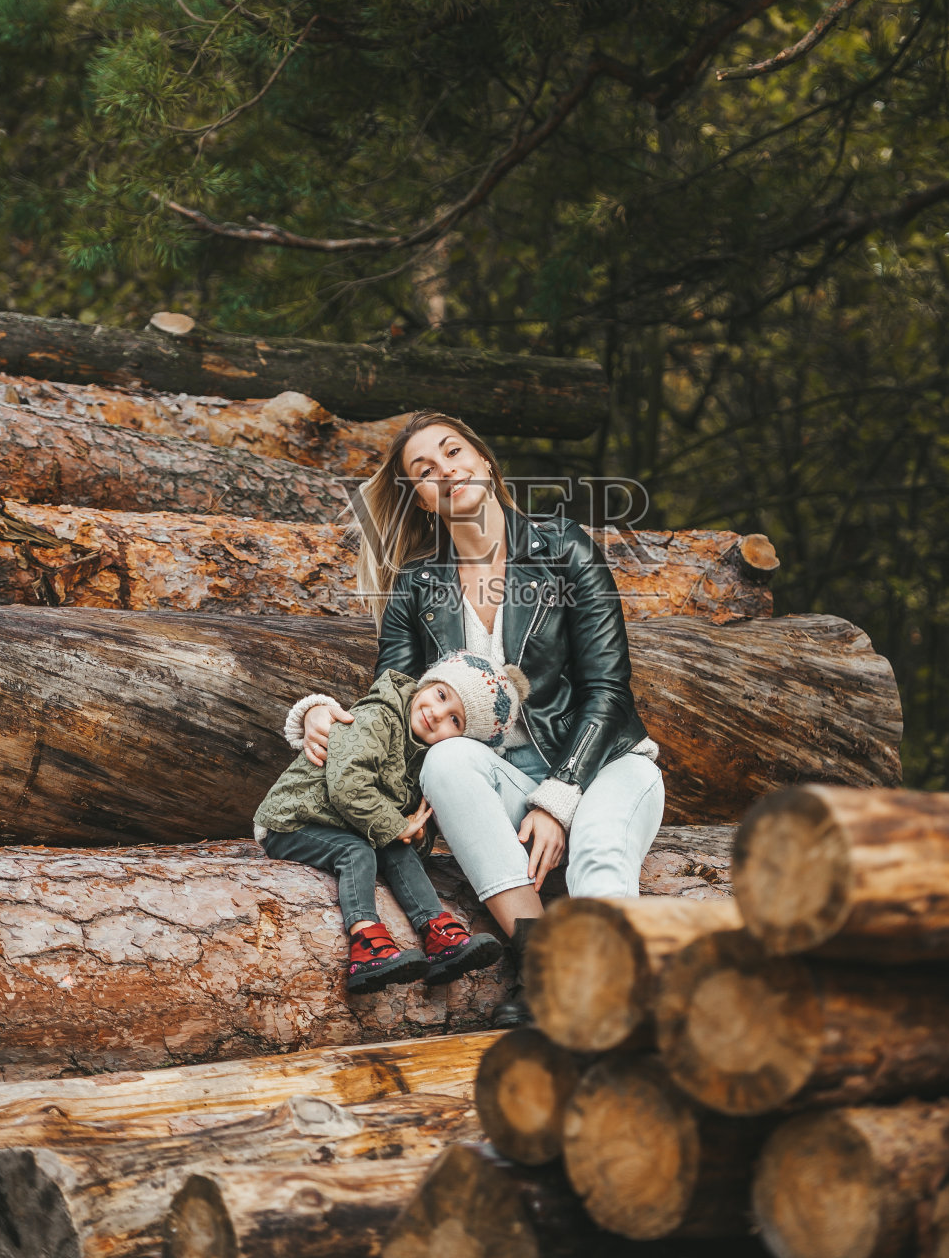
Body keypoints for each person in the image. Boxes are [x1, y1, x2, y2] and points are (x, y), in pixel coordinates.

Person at [284, 410, 665, 1024]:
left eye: (453, 452)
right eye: (423, 470)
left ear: (484, 461)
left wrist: (560, 796)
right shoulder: (416, 585)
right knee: (449, 756)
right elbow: (399, 703)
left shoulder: (563, 548)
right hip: (503, 784)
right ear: (420, 499)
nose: (445, 471)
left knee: (596, 850)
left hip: (604, 767)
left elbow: (608, 690)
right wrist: (319, 715)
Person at [255, 650, 527, 992]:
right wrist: (398, 827)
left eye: (455, 720)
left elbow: (416, 823)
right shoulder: (378, 716)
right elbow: (346, 784)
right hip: (294, 820)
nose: (437, 714)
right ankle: (366, 944)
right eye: (441, 695)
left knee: (400, 852)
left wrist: (413, 834)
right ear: (427, 684)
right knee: (356, 853)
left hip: (346, 823)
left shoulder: (427, 757)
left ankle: (438, 934)